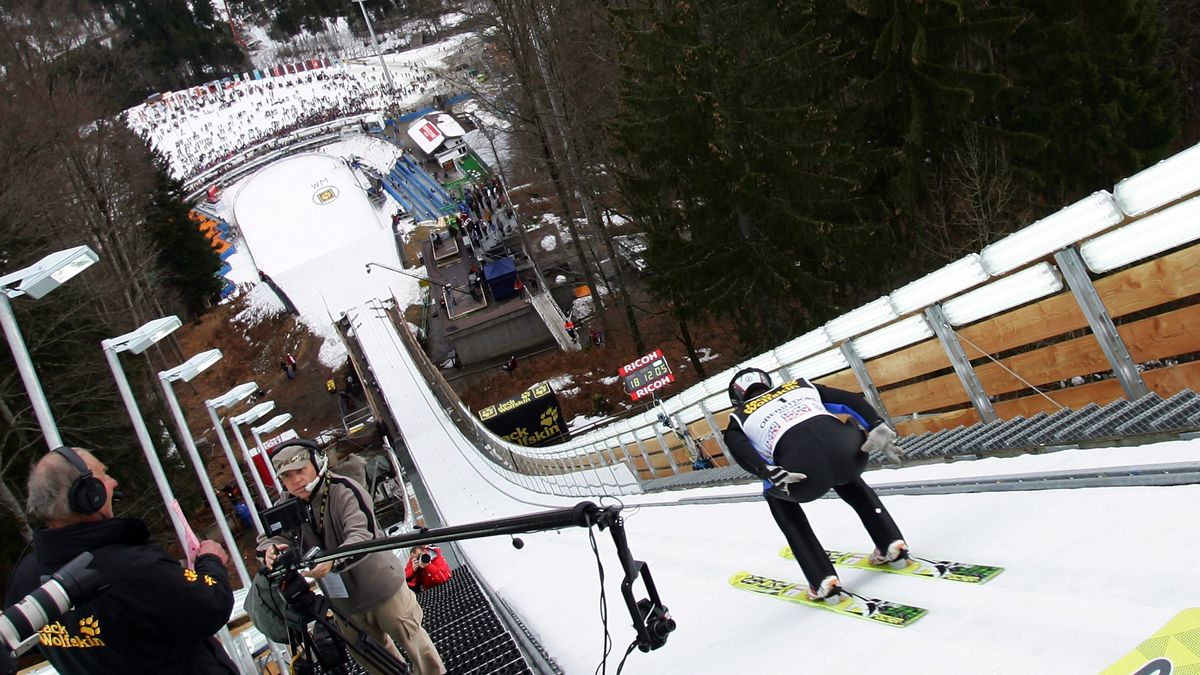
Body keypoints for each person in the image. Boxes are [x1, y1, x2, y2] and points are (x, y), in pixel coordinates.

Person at [6, 447, 238, 674]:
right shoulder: (132, 567)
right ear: (88, 496)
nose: (113, 482)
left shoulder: (24, 578)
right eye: (103, 475)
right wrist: (211, 561)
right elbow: (211, 604)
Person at [258, 440, 445, 675]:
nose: (296, 480)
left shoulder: (343, 489)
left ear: (317, 465)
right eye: (287, 476)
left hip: (381, 587)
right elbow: (268, 538)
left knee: (415, 644)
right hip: (344, 603)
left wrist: (332, 561)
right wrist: (271, 551)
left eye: (300, 471)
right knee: (372, 658)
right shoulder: (286, 505)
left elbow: (361, 533)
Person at [723, 368, 907, 602]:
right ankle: (890, 541)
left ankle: (821, 580)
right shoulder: (801, 386)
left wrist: (766, 470)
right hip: (850, 453)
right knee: (846, 476)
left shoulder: (738, 417)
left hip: (803, 475)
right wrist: (875, 423)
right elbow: (848, 400)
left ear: (737, 398)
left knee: (774, 495)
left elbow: (740, 448)